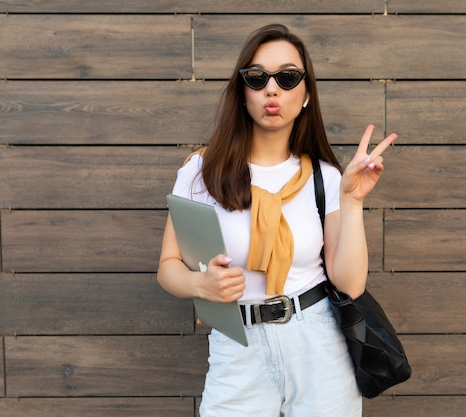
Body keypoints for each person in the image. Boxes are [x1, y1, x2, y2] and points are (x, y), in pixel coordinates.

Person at [157, 23, 397, 417]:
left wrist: (352, 202)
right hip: (238, 344)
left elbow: (350, 283)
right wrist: (200, 283)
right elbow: (168, 267)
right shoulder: (201, 172)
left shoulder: (326, 177)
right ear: (243, 92)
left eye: (288, 78)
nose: (272, 89)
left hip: (318, 342)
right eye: (258, 78)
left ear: (305, 95)